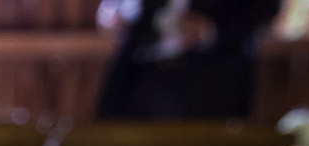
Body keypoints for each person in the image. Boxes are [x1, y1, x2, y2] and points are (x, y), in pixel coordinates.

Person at [93, 0, 282, 119]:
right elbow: (116, 7)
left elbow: (267, 6)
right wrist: (110, 13)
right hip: (140, 75)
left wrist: (211, 29)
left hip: (209, 78)